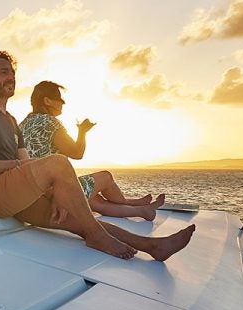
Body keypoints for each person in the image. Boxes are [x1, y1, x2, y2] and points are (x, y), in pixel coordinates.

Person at [0, 51, 194, 261]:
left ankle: (152, 246)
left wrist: (56, 192)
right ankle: (99, 239)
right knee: (59, 162)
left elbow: (29, 163)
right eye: (3, 72)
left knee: (80, 218)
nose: (11, 77)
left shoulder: (12, 121)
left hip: (10, 194)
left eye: (13, 72)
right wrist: (25, 168)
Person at [21, 80, 165, 221]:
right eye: (59, 98)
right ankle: (127, 202)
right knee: (106, 177)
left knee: (95, 200)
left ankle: (143, 211)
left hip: (36, 195)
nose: (63, 102)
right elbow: (77, 153)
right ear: (47, 101)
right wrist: (82, 131)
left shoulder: (23, 124)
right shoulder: (49, 122)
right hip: (57, 194)